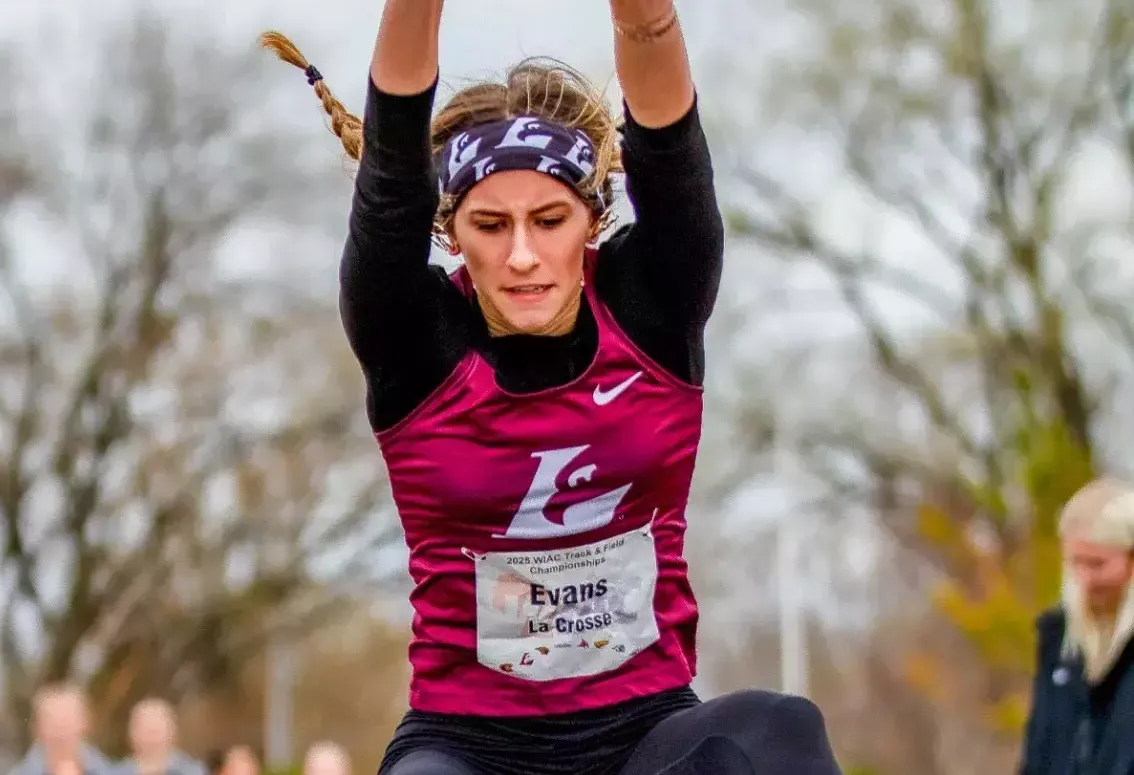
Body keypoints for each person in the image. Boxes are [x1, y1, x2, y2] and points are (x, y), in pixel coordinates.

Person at [261, 2, 842, 773]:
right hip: (469, 744)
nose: (524, 254)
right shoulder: (413, 338)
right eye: (492, 226)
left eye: (550, 219)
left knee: (777, 729)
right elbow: (394, 161)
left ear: (591, 218)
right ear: (453, 231)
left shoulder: (653, 305)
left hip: (645, 730)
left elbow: (667, 132)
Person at [1020, 478, 1134, 775]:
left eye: (1097, 564)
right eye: (1075, 563)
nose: (1084, 578)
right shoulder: (1057, 640)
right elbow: (1038, 753)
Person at [6, 684, 113, 775]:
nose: (61, 729)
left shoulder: (111, 771)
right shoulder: (21, 772)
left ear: (86, 723)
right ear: (37, 728)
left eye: (67, 719)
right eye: (52, 721)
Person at [115, 699, 206, 775]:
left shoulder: (192, 771)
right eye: (146, 731)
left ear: (172, 733)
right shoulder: (116, 772)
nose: (152, 739)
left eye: (157, 732)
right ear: (132, 734)